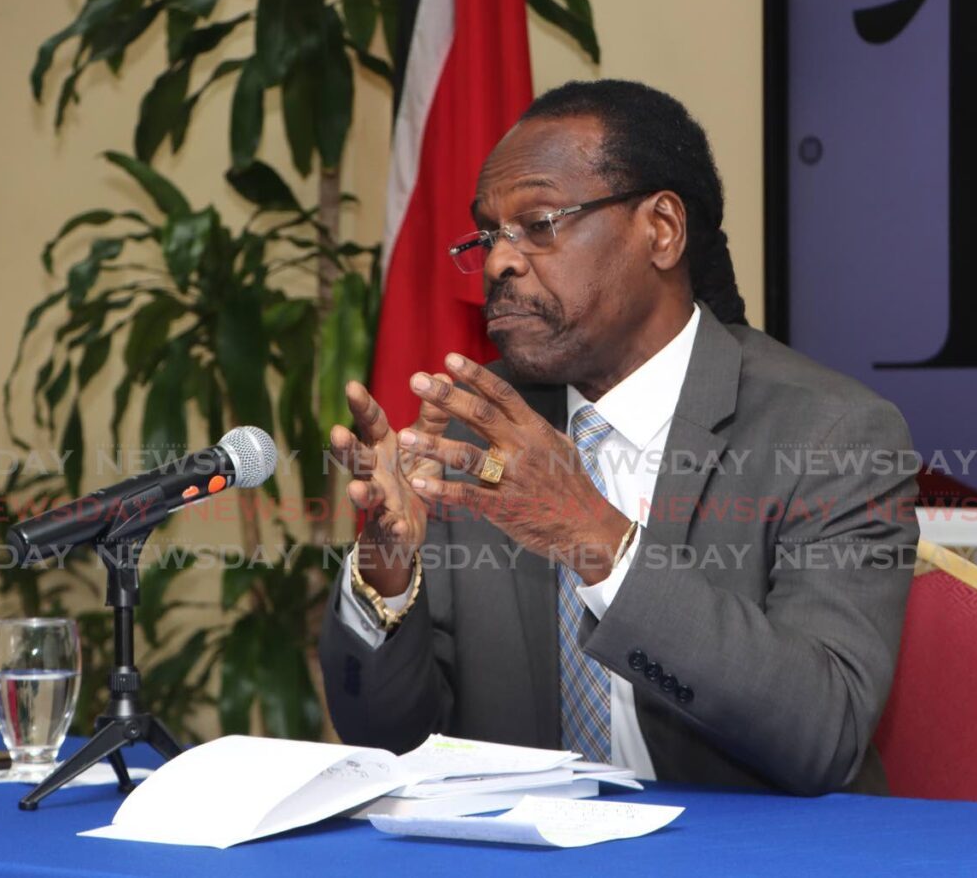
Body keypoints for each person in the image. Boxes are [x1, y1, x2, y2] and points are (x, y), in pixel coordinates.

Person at [319, 79, 919, 795]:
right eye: (488, 235)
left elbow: (824, 732)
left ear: (661, 230)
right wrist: (389, 579)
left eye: (539, 225)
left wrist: (596, 536)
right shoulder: (469, 431)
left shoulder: (833, 433)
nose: (502, 262)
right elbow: (391, 745)